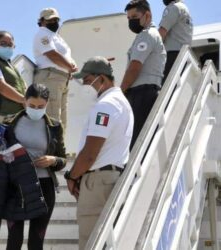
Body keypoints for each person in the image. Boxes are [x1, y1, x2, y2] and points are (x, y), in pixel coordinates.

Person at [65, 57, 134, 250]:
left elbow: (89, 154)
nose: (85, 85)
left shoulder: (105, 105)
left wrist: (72, 176)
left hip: (98, 181)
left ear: (101, 78)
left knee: (92, 242)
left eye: (87, 80)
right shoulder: (121, 102)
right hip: (109, 177)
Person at [2, 83, 67, 250]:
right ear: (24, 101)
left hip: (44, 186)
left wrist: (53, 160)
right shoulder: (9, 123)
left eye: (41, 106)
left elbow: (63, 160)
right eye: (31, 105)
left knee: (36, 241)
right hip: (16, 185)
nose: (36, 109)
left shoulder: (54, 126)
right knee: (14, 239)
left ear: (47, 104)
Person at [121, 0, 166, 149]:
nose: (131, 21)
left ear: (147, 15)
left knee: (135, 142)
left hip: (142, 93)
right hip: (144, 91)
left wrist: (120, 91)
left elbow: (135, 67)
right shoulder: (147, 35)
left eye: (134, 16)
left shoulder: (147, 35)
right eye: (128, 18)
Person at [33, 7, 78, 129]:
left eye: (56, 20)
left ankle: (59, 147)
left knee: (62, 121)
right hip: (50, 78)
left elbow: (63, 55)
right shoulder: (43, 34)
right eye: (50, 20)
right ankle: (51, 147)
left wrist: (71, 64)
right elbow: (52, 55)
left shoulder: (55, 36)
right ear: (42, 21)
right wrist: (69, 67)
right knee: (53, 118)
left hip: (61, 79)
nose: (54, 23)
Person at [159, 0, 193, 84]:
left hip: (171, 55)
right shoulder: (184, 8)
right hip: (182, 54)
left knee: (164, 87)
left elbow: (162, 33)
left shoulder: (174, 7)